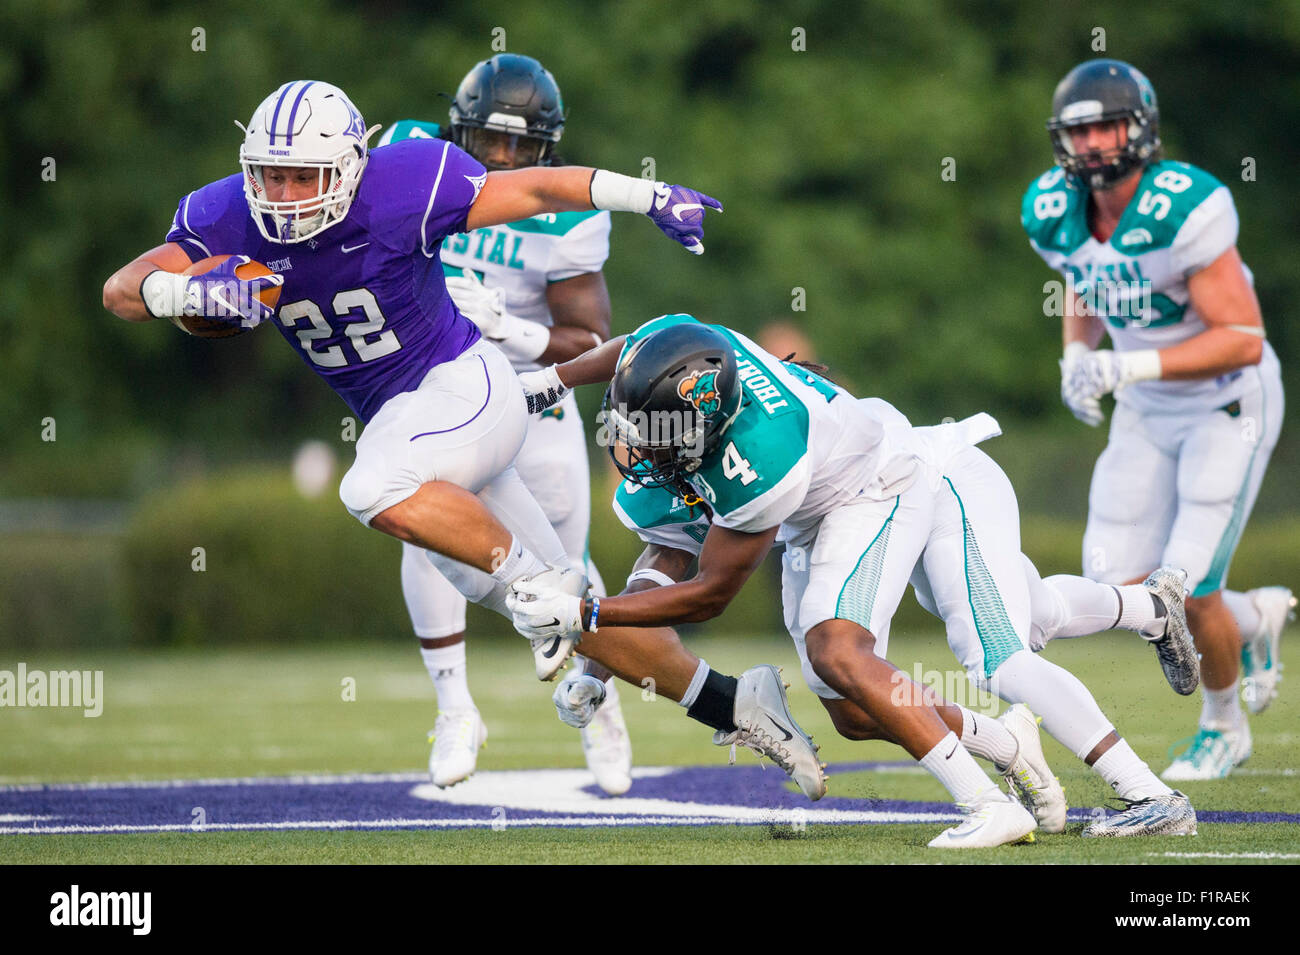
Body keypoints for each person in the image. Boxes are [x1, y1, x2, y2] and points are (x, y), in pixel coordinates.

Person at [101, 80, 826, 799]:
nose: (288, 194)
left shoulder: (404, 181)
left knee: (371, 486)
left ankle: (539, 589)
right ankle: (738, 705)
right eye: (272, 175)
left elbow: (539, 190)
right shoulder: (225, 212)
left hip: (467, 388)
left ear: (353, 165)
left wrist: (650, 195)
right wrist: (179, 294)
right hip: (410, 424)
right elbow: (122, 289)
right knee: (576, 621)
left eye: (306, 176)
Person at [512, 315, 1199, 842]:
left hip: (902, 477)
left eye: (658, 432)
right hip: (830, 510)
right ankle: (1110, 641)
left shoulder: (761, 459)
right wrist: (554, 380)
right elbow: (639, 348)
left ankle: (1128, 794)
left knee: (975, 650)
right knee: (858, 706)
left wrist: (587, 618)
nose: (636, 445)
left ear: (710, 426)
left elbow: (712, 591)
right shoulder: (689, 357)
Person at [1022, 59, 1293, 780]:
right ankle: (1255, 618)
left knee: (1187, 587)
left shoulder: (1184, 205)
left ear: (1140, 129)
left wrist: (1128, 364)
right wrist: (1076, 355)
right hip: (1146, 406)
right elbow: (1082, 277)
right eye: (1079, 131)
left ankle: (1224, 724)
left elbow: (1242, 337)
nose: (1093, 144)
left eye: (1107, 126)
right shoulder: (1052, 208)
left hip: (1225, 401)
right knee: (1118, 578)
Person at [375, 55, 631, 794]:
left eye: (523, 148)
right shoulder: (407, 156)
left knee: (562, 564)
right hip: (431, 387)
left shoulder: (567, 208)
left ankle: (597, 693)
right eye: (491, 141)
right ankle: (456, 707)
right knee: (424, 526)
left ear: (548, 150)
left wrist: (509, 330)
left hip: (531, 392)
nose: (506, 159)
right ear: (458, 129)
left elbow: (589, 342)